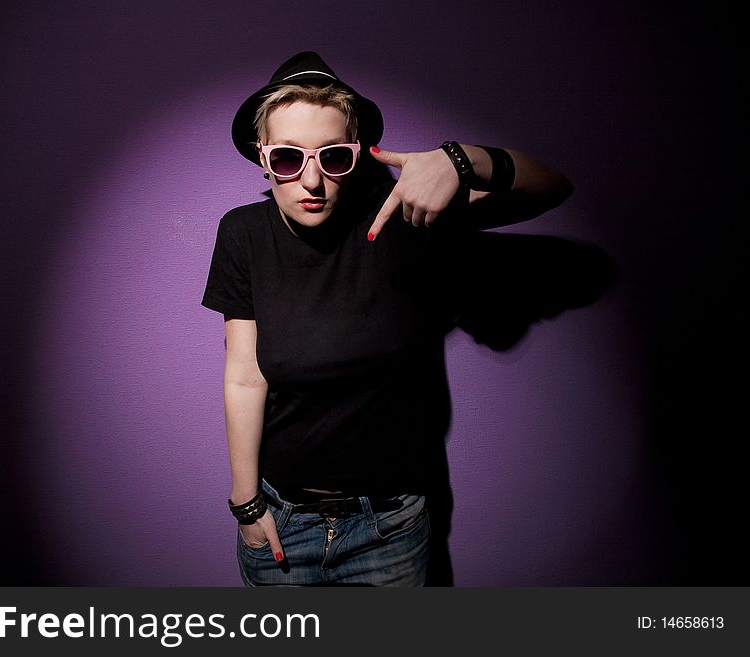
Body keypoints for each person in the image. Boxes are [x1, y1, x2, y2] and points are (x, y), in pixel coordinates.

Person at [201, 51, 572, 586]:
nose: (312, 181)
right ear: (263, 157)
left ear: (358, 154)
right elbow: (245, 374)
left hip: (389, 526)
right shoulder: (243, 233)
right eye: (287, 157)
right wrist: (246, 505)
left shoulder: (406, 219)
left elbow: (553, 188)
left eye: (333, 157)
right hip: (280, 521)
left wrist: (459, 159)